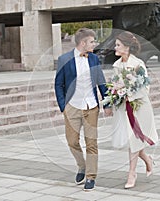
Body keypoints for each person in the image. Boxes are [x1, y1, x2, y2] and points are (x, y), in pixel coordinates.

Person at [55, 28, 112, 191]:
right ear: (83, 43)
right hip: (72, 106)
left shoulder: (94, 58)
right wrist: (63, 106)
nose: (95, 44)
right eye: (92, 41)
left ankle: (90, 176)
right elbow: (58, 84)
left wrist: (107, 103)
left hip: (91, 106)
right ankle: (82, 166)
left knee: (91, 143)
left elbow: (101, 81)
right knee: (72, 142)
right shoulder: (64, 59)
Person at [111, 31, 159, 189]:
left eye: (118, 45)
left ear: (127, 47)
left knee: (134, 140)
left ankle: (131, 173)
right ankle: (147, 160)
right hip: (125, 107)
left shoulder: (138, 64)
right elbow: (114, 84)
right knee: (133, 140)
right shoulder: (117, 65)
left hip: (140, 107)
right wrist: (116, 93)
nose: (115, 47)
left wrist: (128, 92)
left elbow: (145, 87)